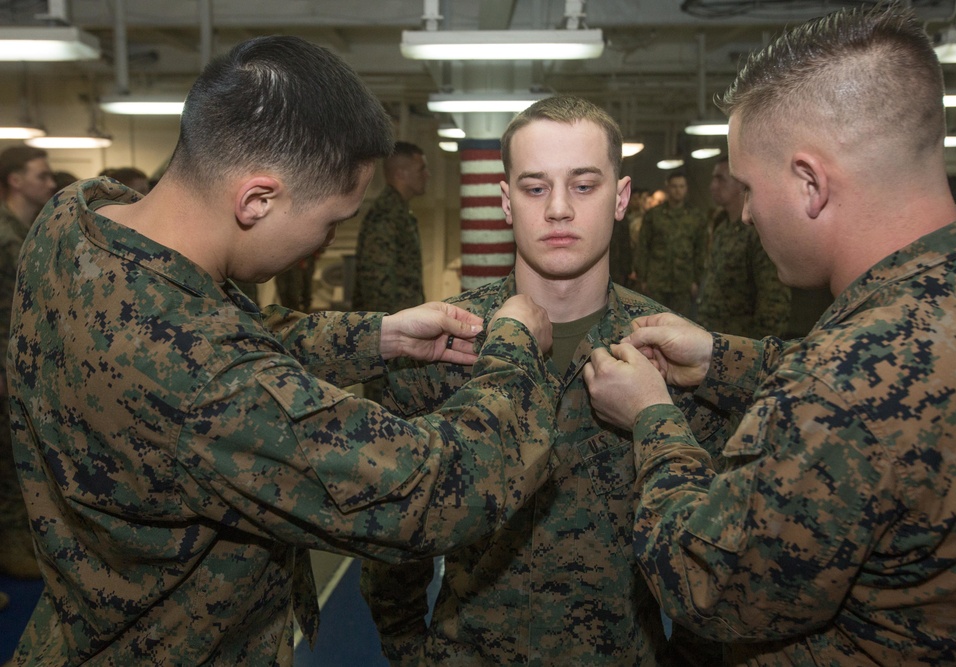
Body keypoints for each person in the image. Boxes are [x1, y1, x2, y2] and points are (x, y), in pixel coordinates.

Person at [7, 35, 561, 666]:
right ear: (257, 200)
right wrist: (515, 346)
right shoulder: (209, 386)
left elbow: (200, 327)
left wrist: (376, 336)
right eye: (330, 222)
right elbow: (438, 490)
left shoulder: (74, 221)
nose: (323, 245)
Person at [584, 6, 956, 665]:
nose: (745, 212)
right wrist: (722, 360)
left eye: (749, 186)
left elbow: (706, 582)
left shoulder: (840, 384)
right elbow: (903, 380)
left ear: (809, 183)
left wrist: (653, 419)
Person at [360, 96, 728, 666]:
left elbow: (710, 546)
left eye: (583, 186)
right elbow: (393, 540)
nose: (558, 209)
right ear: (506, 202)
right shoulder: (441, 346)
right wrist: (412, 652)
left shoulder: (673, 357)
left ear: (621, 197)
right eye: (535, 188)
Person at [0, 144, 56, 582]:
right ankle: (11, 540)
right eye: (41, 175)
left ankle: (19, 537)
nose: (51, 183)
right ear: (15, 180)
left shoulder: (29, 229)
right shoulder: (4, 235)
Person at [352, 140, 430, 402]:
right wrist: (388, 336)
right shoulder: (386, 215)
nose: (427, 175)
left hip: (402, 337)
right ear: (401, 174)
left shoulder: (399, 212)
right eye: (421, 169)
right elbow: (376, 285)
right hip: (388, 342)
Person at [697, 155, 790, 338]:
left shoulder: (757, 232)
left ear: (741, 184)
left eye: (720, 179)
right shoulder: (722, 228)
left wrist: (761, 352)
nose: (712, 186)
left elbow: (773, 298)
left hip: (742, 342)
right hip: (715, 339)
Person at [633, 173, 707, 317]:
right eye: (674, 186)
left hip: (683, 282)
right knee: (654, 324)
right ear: (667, 188)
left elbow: (701, 250)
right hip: (656, 281)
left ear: (686, 189)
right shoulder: (654, 215)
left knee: (681, 326)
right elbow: (643, 246)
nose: (678, 190)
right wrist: (642, 278)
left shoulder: (696, 217)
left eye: (681, 186)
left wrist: (696, 280)